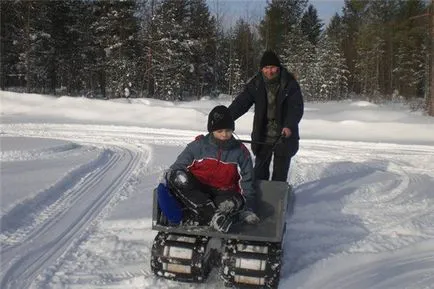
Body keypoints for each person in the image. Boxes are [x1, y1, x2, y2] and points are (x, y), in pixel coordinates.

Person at [157, 105, 260, 233]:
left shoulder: (240, 152)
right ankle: (214, 217)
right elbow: (178, 167)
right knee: (176, 176)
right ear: (212, 130)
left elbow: (248, 181)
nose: (224, 135)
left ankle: (203, 216)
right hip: (197, 192)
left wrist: (248, 208)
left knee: (235, 202)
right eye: (220, 131)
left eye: (228, 131)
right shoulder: (199, 146)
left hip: (224, 193)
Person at [228, 50, 304, 182]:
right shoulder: (256, 84)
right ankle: (260, 200)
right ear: (262, 69)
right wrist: (226, 119)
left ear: (278, 67)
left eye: (273, 67)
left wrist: (289, 125)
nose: (270, 71)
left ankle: (277, 200)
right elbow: (241, 103)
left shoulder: (289, 83)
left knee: (279, 175)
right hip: (262, 135)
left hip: (284, 135)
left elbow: (296, 108)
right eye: (266, 68)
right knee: (259, 173)